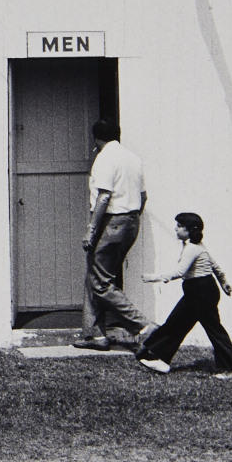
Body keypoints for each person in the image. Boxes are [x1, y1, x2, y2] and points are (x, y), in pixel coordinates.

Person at [73, 119, 157, 351]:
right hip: (131, 221)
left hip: (111, 222)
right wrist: (130, 219)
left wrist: (92, 229)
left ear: (96, 138)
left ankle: (143, 325)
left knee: (101, 283)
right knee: (96, 275)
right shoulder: (133, 158)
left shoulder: (104, 158)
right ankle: (95, 334)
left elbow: (103, 197)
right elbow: (143, 197)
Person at [135, 212, 232, 379]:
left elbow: (180, 272)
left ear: (189, 230)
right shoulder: (197, 246)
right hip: (199, 291)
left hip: (201, 292)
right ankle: (160, 359)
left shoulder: (192, 248)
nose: (176, 229)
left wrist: (154, 278)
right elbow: (215, 266)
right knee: (177, 322)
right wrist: (224, 283)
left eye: (180, 226)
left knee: (213, 329)